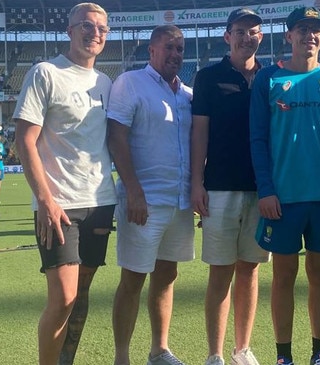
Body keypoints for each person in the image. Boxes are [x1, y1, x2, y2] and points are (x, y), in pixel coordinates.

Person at [12, 3, 117, 365]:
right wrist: (45, 200)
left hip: (101, 200)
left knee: (82, 295)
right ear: (69, 31)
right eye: (86, 26)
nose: (95, 33)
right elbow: (24, 140)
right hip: (59, 204)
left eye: (102, 28)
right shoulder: (45, 72)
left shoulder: (105, 83)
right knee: (63, 299)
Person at [249, 7, 320, 365]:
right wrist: (266, 189)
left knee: (319, 276)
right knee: (283, 277)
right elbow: (258, 139)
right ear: (288, 36)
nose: (309, 35)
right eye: (301, 29)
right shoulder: (269, 79)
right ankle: (283, 355)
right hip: (283, 198)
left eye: (316, 30)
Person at [108, 24, 194, 365]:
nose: (175, 54)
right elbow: (116, 137)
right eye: (169, 47)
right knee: (133, 277)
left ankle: (159, 350)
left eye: (180, 49)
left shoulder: (187, 94)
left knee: (166, 276)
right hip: (143, 201)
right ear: (152, 51)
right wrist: (133, 191)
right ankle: (121, 356)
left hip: (180, 202)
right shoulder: (131, 82)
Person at [191, 8, 270, 365]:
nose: (245, 37)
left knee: (250, 269)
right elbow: (200, 132)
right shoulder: (208, 77)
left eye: (252, 31)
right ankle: (215, 353)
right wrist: (197, 181)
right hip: (220, 187)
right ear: (227, 36)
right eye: (239, 31)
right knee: (221, 271)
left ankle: (243, 348)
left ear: (260, 37)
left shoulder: (271, 78)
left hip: (261, 188)